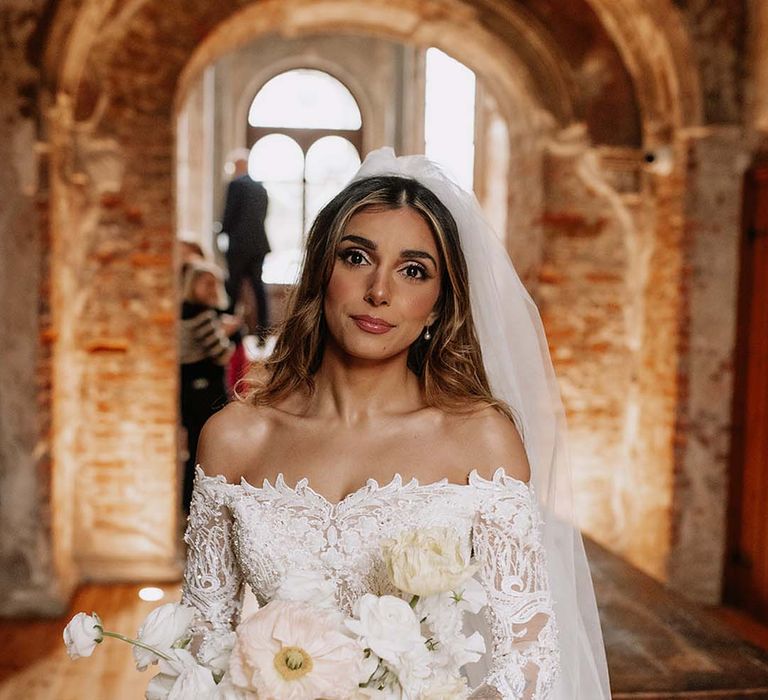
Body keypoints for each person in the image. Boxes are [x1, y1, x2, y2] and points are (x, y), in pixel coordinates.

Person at [181, 149, 610, 698]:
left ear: (436, 305)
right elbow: (202, 652)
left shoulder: (480, 439)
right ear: (320, 274)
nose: (379, 291)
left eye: (413, 271)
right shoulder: (234, 438)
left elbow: (529, 665)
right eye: (357, 258)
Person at [178, 260, 241, 514]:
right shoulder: (202, 315)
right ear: (194, 285)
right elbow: (222, 353)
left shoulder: (184, 310)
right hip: (203, 390)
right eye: (207, 283)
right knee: (204, 448)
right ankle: (199, 504)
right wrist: (227, 332)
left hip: (189, 389)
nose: (213, 288)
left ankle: (189, 502)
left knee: (195, 446)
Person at [221, 149, 271, 343]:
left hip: (239, 246)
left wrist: (223, 232)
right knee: (259, 289)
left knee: (232, 289)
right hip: (258, 245)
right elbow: (263, 216)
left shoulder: (235, 185)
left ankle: (230, 334)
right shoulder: (261, 188)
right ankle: (263, 333)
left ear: (239, 166)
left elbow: (229, 213)